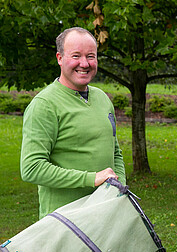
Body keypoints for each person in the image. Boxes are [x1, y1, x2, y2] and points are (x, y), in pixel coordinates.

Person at [20, 27, 126, 219]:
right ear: (59, 58)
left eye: (91, 56)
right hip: (66, 223)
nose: (84, 64)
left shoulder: (102, 99)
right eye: (76, 56)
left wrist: (119, 190)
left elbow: (115, 152)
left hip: (105, 215)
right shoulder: (44, 105)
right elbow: (31, 168)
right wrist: (91, 179)